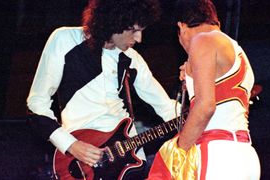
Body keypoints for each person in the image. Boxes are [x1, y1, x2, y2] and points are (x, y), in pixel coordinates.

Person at [27, 0, 180, 179]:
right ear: (115, 21)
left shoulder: (132, 59)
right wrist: (71, 145)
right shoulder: (65, 39)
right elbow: (37, 104)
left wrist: (195, 108)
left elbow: (167, 107)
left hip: (130, 160)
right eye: (134, 30)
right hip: (83, 156)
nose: (139, 39)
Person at [148, 0, 260, 179]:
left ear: (181, 27)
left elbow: (206, 107)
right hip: (243, 155)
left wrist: (178, 152)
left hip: (216, 154)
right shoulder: (236, 50)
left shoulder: (202, 40)